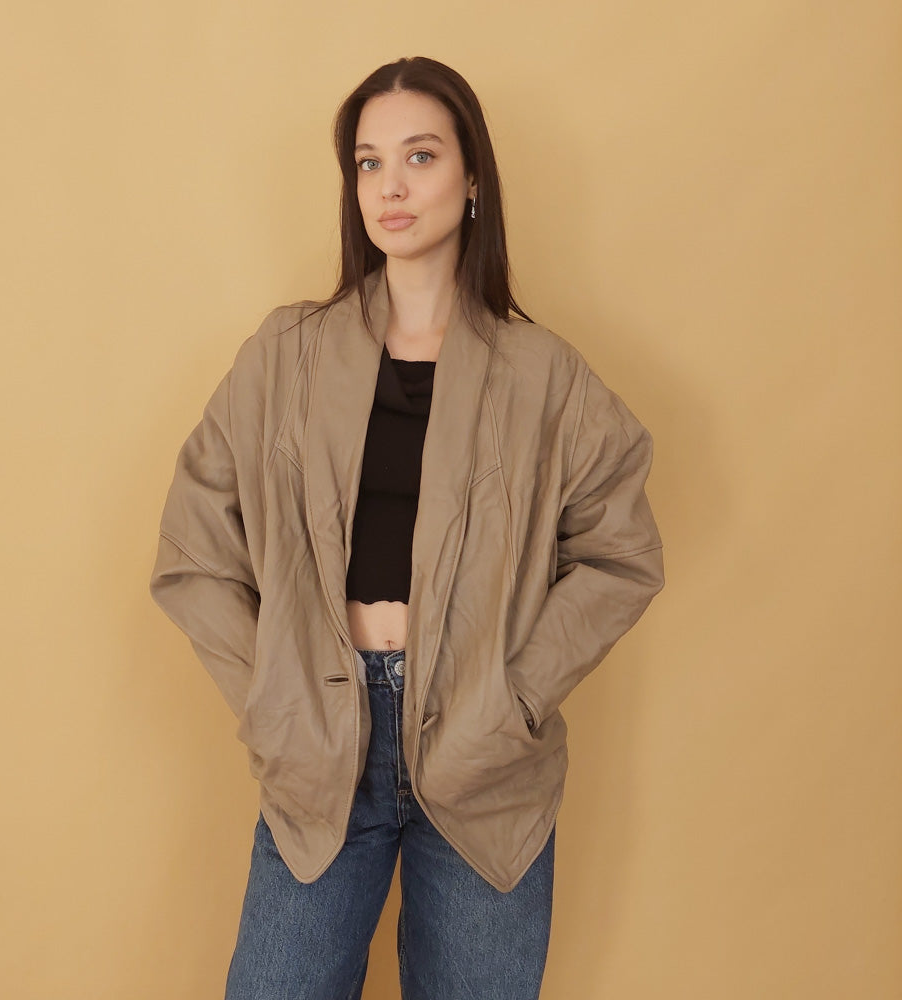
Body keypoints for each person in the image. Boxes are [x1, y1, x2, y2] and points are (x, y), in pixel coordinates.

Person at [150, 56, 664, 1000]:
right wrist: (273, 698)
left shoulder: (544, 375)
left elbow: (620, 551)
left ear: (472, 180)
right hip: (320, 747)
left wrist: (513, 700)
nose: (390, 185)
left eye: (420, 156)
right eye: (368, 162)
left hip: (483, 762)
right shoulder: (285, 355)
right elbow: (193, 550)